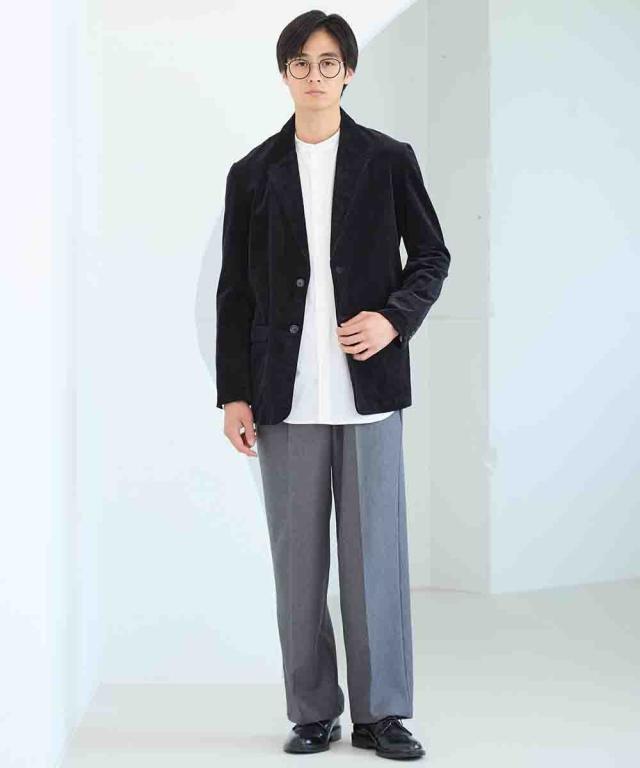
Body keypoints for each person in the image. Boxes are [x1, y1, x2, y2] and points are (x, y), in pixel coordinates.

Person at [215, 9, 451, 760]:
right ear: (284, 74)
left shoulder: (388, 160)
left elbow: (432, 256)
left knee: (375, 558)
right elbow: (234, 292)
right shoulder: (252, 173)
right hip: (283, 395)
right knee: (299, 564)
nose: (314, 76)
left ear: (348, 71)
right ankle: (313, 710)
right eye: (301, 63)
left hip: (368, 391)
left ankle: (382, 714)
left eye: (328, 63)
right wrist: (234, 394)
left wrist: (393, 319)